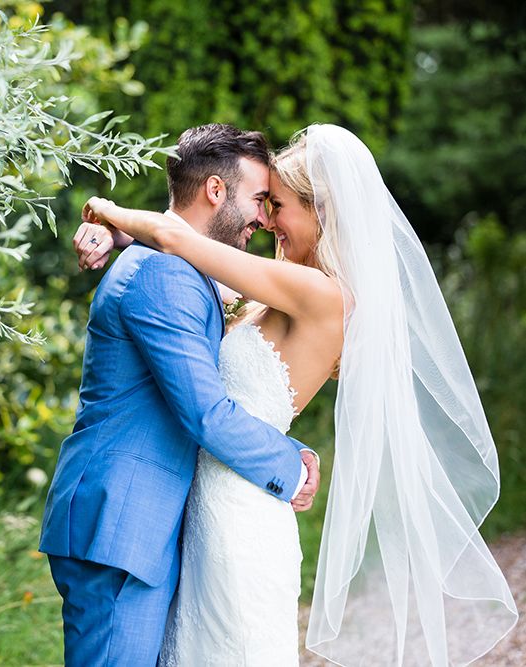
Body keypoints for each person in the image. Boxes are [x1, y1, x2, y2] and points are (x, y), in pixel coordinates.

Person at [78, 123, 518, 666]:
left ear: (321, 213)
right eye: (262, 202)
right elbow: (192, 266)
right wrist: (125, 240)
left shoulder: (319, 293)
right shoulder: (281, 287)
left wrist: (107, 210)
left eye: (276, 205)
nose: (265, 220)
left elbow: (179, 240)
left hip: (240, 511)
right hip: (207, 504)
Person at [39, 124, 320, 667]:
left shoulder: (172, 266)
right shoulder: (164, 276)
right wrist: (290, 460)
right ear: (216, 191)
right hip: (120, 520)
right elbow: (205, 414)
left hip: (135, 521)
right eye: (258, 200)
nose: (262, 219)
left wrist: (120, 230)